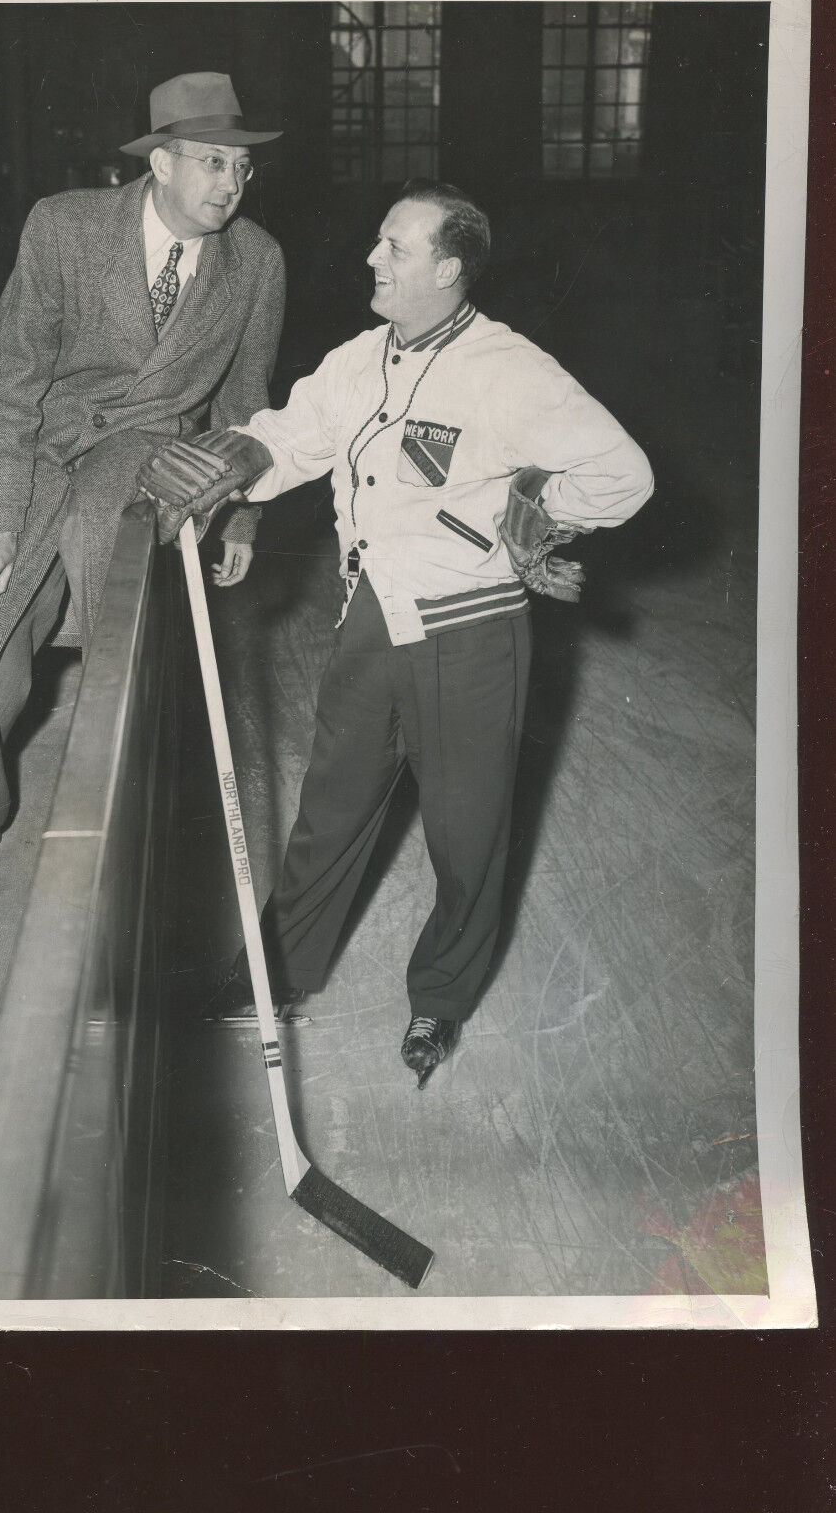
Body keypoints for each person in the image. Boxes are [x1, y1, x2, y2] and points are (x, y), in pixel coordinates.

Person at [138, 180, 654, 1087]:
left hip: (468, 625)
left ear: (449, 270)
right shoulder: (362, 357)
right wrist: (238, 460)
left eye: (395, 248)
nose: (372, 259)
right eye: (378, 241)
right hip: (372, 610)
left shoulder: (511, 371)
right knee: (331, 807)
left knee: (466, 831)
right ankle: (281, 975)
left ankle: (440, 998)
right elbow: (297, 433)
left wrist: (530, 515)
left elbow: (624, 474)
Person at [0, 72, 285, 886]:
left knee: (105, 571)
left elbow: (244, 400)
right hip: (47, 443)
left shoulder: (257, 262)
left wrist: (242, 514)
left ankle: (122, 788)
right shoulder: (63, 227)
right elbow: (10, 377)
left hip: (149, 446)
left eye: (241, 169)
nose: (230, 185)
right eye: (211, 163)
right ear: (160, 162)